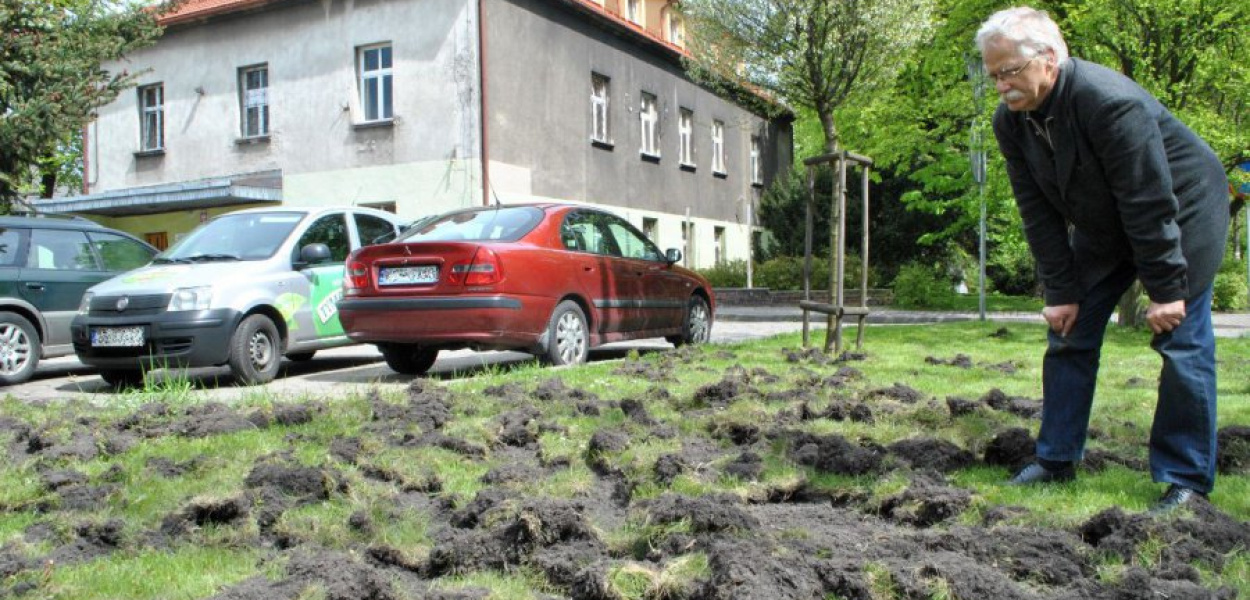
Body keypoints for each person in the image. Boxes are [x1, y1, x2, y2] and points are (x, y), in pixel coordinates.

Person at [975, 7, 1230, 513]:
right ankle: (1055, 459)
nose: (1002, 86)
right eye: (993, 76)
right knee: (1069, 331)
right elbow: (1037, 211)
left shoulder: (1108, 101)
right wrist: (1061, 291)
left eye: (1010, 72)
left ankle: (1186, 480)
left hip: (1181, 211)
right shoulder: (1012, 123)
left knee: (1181, 342)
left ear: (1048, 59)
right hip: (1105, 223)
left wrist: (1165, 288)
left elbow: (1148, 200)